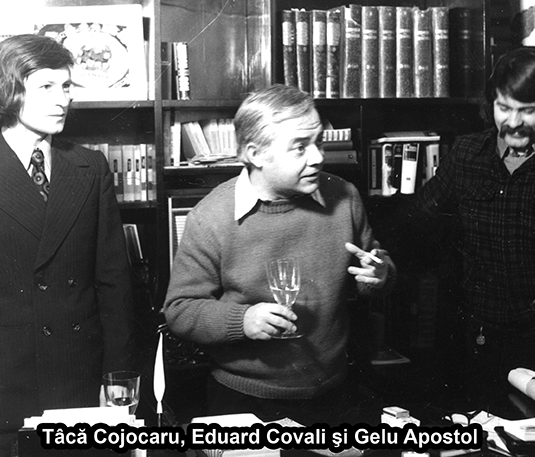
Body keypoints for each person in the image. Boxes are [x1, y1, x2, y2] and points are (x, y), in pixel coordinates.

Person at [163, 84, 396, 425]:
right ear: (256, 154)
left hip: (335, 393)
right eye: (300, 147)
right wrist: (242, 320)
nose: (317, 157)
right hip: (243, 401)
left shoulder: (345, 196)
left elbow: (373, 268)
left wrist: (379, 274)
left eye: (318, 142)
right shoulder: (210, 216)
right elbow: (180, 310)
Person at [0, 34, 135, 456]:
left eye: (66, 86)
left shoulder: (90, 166)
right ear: (10, 90)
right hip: (2, 387)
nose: (62, 100)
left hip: (80, 377)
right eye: (46, 86)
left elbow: (114, 283)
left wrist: (116, 378)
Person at [411, 47, 535, 398]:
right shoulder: (467, 154)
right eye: (504, 107)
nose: (513, 122)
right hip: (480, 339)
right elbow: (417, 219)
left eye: (528, 110)